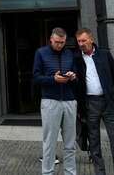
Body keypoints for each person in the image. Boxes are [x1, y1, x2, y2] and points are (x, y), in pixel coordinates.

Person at [75, 28, 114, 175]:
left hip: (108, 102)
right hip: (90, 104)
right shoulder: (77, 59)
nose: (81, 44)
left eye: (84, 40)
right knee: (94, 140)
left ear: (91, 40)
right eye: (79, 41)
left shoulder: (105, 54)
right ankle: (99, 172)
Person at [33, 27, 80, 175]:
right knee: (49, 142)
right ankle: (47, 172)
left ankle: (70, 173)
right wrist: (53, 79)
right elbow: (36, 77)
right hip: (50, 101)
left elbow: (77, 76)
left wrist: (73, 76)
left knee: (70, 143)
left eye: (63, 42)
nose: (60, 45)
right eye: (57, 42)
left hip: (69, 101)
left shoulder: (69, 53)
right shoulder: (41, 53)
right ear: (51, 40)